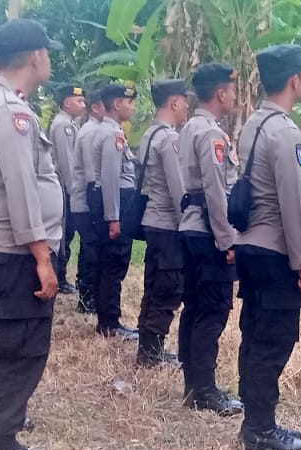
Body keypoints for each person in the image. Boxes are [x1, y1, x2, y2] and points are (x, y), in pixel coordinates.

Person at [0, 18, 64, 450]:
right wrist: (41, 257)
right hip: (17, 252)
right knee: (19, 351)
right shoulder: (11, 112)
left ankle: (6, 441)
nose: (49, 60)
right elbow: (21, 188)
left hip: (15, 248)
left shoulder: (6, 104)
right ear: (35, 56)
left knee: (21, 347)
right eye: (47, 53)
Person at [235, 45, 301, 450]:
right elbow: (292, 203)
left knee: (254, 333)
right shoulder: (284, 131)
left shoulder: (252, 123)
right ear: (295, 80)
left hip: (248, 245)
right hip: (272, 251)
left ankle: (254, 418)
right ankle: (260, 427)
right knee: (275, 338)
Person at [176, 63, 245, 414]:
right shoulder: (211, 135)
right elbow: (216, 192)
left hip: (191, 226)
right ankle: (204, 389)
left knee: (194, 307)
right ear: (220, 92)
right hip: (208, 231)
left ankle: (194, 384)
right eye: (231, 90)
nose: (234, 96)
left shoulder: (190, 127)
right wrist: (227, 240)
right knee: (213, 309)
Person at [136, 79, 191, 368]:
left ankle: (147, 346)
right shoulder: (169, 138)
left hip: (152, 221)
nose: (186, 106)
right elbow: (177, 188)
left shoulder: (150, 133)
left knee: (153, 285)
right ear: (174, 102)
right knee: (168, 288)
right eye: (184, 101)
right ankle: (152, 350)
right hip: (168, 224)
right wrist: (187, 225)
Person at [94, 84, 141, 341]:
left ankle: (107, 319)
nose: (133, 107)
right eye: (129, 102)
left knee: (109, 263)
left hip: (114, 201)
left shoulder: (110, 130)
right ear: (116, 105)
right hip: (116, 202)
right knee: (114, 263)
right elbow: (110, 178)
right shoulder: (112, 134)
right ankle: (110, 322)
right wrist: (113, 217)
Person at [69, 85, 104, 316]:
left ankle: (86, 297)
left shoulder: (92, 129)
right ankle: (87, 298)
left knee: (88, 249)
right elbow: (93, 177)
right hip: (87, 202)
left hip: (84, 201)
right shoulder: (92, 132)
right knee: (92, 252)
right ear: (97, 108)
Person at [48, 85, 86, 296]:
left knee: (67, 234)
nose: (83, 105)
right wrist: (74, 193)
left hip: (65, 188)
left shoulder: (69, 124)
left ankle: (61, 276)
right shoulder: (64, 126)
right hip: (64, 188)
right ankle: (60, 277)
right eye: (79, 101)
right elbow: (67, 163)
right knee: (64, 235)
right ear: (66, 102)